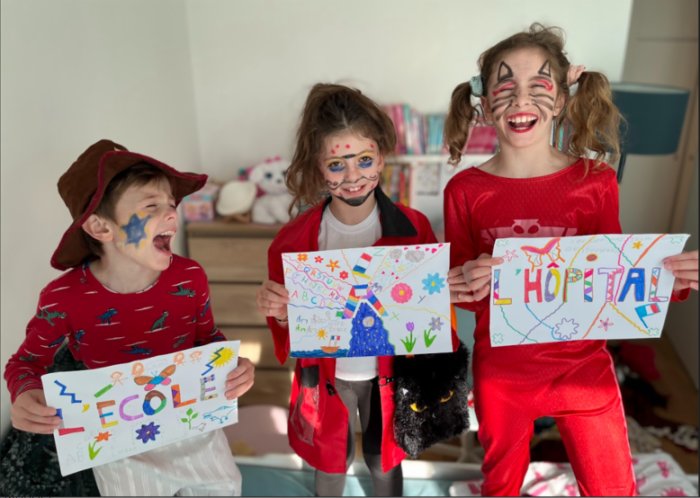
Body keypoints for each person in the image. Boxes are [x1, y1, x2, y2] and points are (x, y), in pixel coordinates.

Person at [443, 23, 699, 497]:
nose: (521, 100)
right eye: (505, 87)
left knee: (613, 488)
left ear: (560, 99)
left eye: (538, 86)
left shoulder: (595, 182)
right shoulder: (465, 191)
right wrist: (466, 280)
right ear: (485, 104)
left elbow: (614, 280)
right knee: (500, 486)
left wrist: (674, 278)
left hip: (583, 368)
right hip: (503, 373)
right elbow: (458, 290)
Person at [4, 139, 256, 496]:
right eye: (152, 205)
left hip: (194, 426)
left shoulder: (190, 278)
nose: (172, 214)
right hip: (119, 444)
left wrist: (233, 366)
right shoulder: (64, 298)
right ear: (100, 228)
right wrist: (24, 393)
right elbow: (26, 363)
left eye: (172, 204)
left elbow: (207, 338)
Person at [256, 83, 457, 496]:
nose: (353, 177)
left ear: (381, 157)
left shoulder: (413, 228)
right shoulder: (294, 241)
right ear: (318, 167)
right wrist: (279, 312)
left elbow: (431, 317)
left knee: (384, 457)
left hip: (389, 372)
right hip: (325, 373)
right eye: (337, 165)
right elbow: (288, 327)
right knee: (330, 458)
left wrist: (440, 300)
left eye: (364, 160)